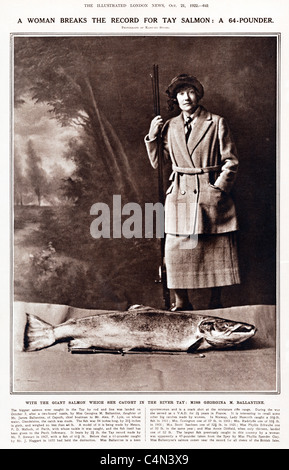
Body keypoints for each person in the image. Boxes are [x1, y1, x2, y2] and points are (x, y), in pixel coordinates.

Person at [145, 73, 240, 311]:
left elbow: (231, 162)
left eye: (190, 92)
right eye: (180, 93)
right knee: (175, 249)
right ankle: (182, 301)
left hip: (208, 191)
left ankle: (215, 302)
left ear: (198, 95)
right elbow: (159, 164)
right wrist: (152, 136)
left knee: (213, 245)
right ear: (174, 99)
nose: (185, 97)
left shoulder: (216, 122)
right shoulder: (170, 126)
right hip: (180, 192)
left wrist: (217, 188)